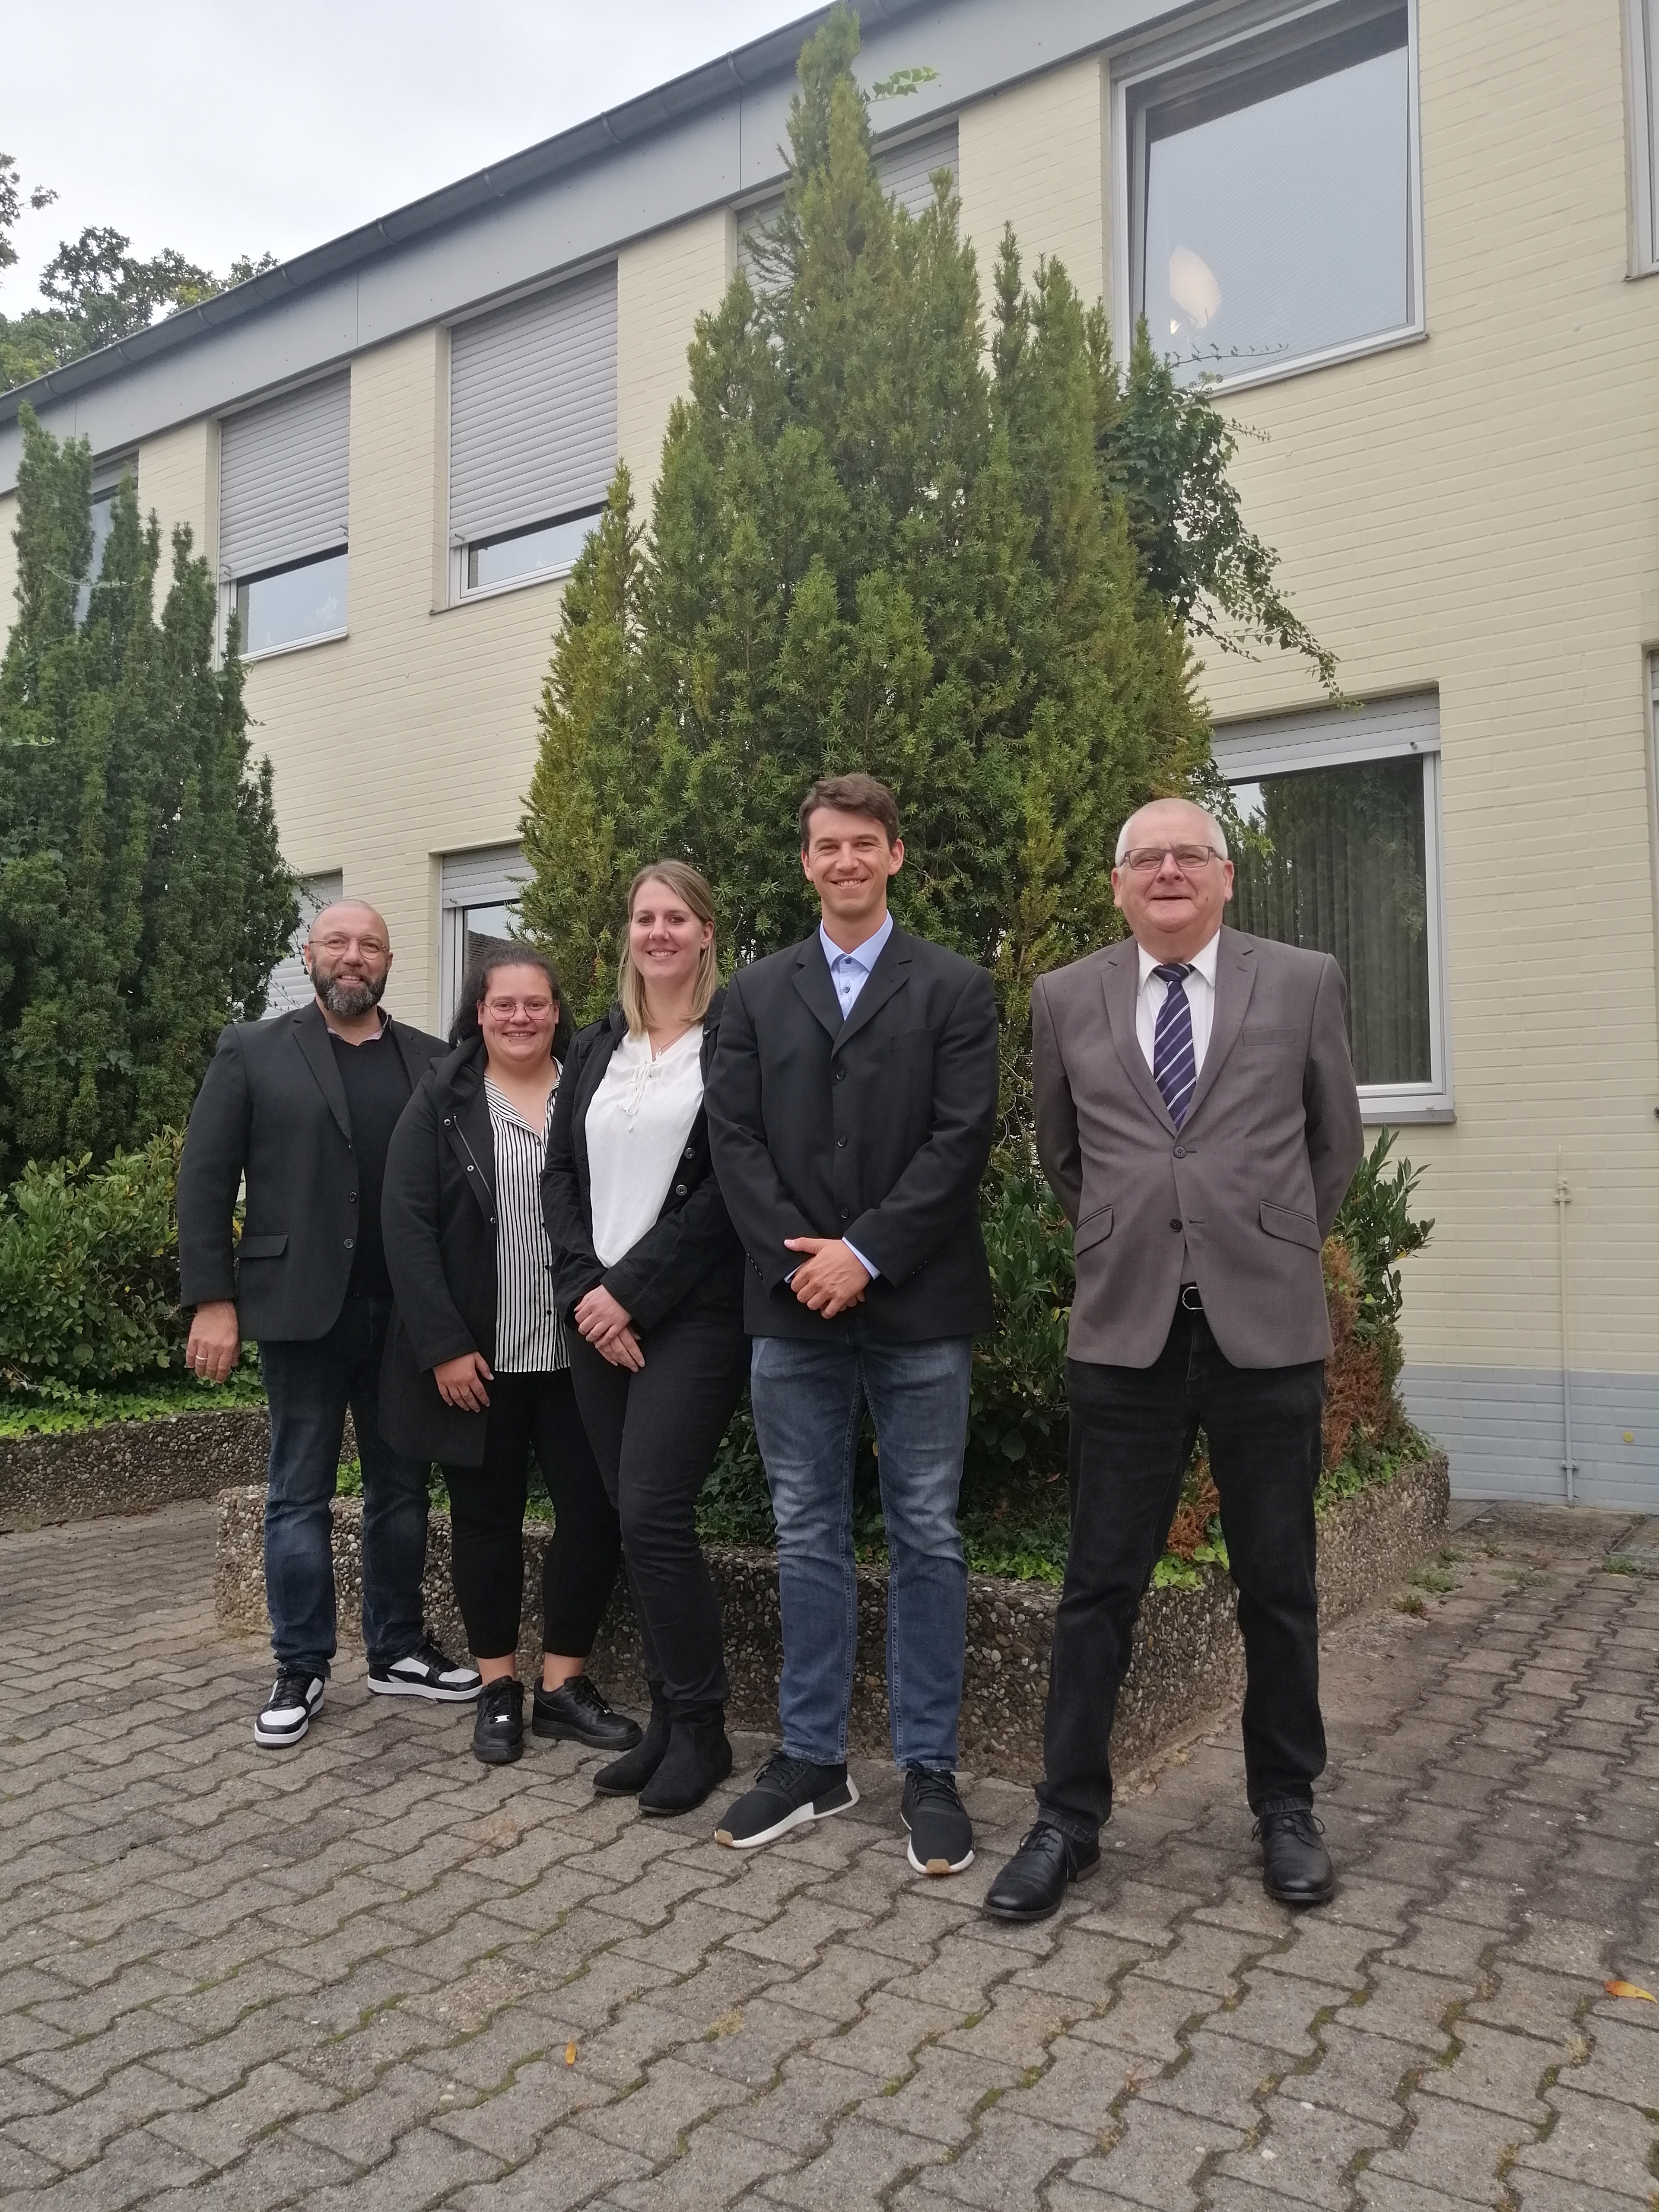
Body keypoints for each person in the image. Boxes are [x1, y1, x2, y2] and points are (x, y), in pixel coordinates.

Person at [983, 796, 1365, 1922]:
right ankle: (1067, 1819)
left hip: (1266, 1327)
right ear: (1118, 886)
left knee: (1279, 1585)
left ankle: (1287, 1807)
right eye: (1144, 859)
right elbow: (1064, 1157)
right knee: (1098, 1587)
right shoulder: (1065, 999)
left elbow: (1332, 1144)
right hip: (1126, 1329)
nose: (1166, 872)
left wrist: (1261, 1234)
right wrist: (1141, 1230)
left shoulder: (1301, 982)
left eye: (1188, 854)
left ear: (1225, 876)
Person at [705, 773, 999, 1875]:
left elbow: (960, 1140)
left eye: (863, 844)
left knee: (926, 1528)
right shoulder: (752, 993)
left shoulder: (957, 990)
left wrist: (864, 1253)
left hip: (916, 1302)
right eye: (826, 845)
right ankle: (814, 1758)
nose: (844, 861)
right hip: (791, 1305)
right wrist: (807, 1264)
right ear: (805, 861)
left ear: (896, 856)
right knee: (805, 1527)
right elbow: (734, 1144)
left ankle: (930, 1765)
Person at [177, 901, 482, 1749]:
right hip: (300, 1311)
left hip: (405, 1319)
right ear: (310, 954)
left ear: (389, 961)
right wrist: (212, 1298)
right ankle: (301, 1664)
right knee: (297, 1493)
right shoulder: (253, 1051)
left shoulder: (431, 1059)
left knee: (401, 1490)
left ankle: (395, 1648)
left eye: (370, 946)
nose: (354, 958)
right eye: (339, 943)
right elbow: (205, 1181)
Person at [379, 940, 640, 1768]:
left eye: (536, 1004)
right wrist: (445, 1346)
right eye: (504, 1005)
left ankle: (563, 1687)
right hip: (482, 1363)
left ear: (558, 1010)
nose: (521, 1017)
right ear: (480, 1012)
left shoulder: (593, 1089)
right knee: (485, 1524)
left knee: (596, 1514)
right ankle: (498, 1688)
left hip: (580, 1352)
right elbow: (407, 1228)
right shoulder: (443, 1100)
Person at [543, 861, 748, 1816]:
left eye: (677, 917)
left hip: (690, 1319)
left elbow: (724, 1195)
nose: (658, 932)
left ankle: (703, 1727)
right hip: (596, 1321)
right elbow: (559, 1183)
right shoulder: (596, 1046)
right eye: (643, 917)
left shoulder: (733, 1043)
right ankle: (667, 1720)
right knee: (631, 1518)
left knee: (656, 1511)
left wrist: (634, 1295)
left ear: (707, 932)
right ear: (626, 932)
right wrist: (591, 1294)